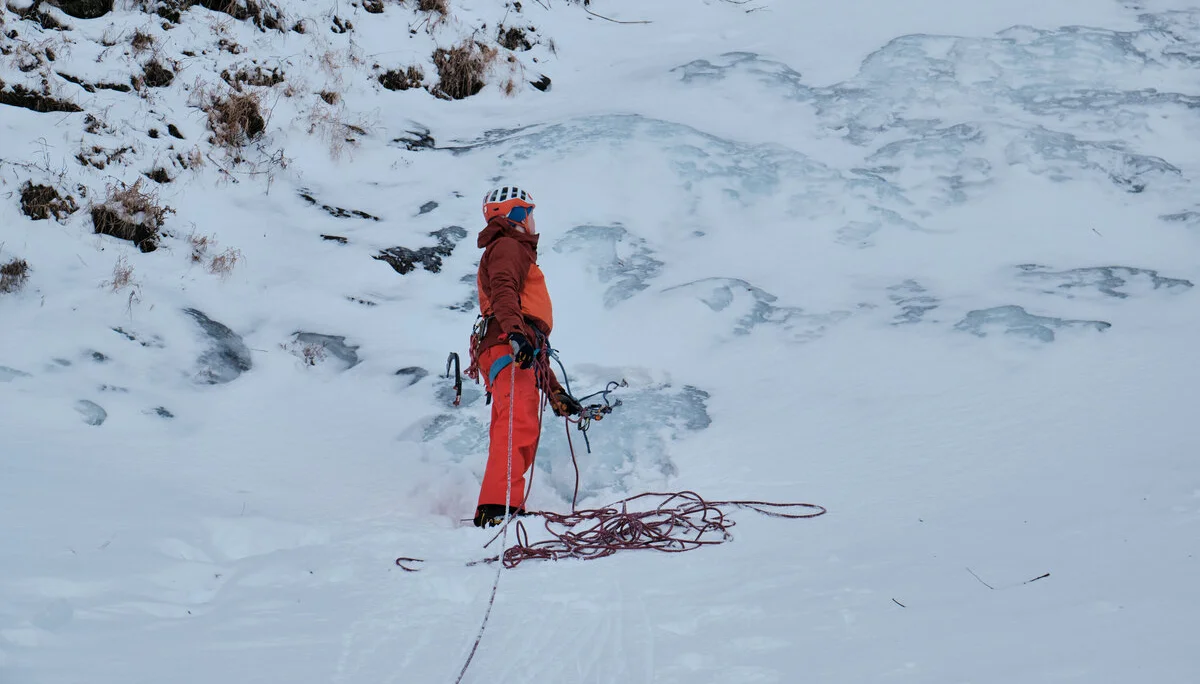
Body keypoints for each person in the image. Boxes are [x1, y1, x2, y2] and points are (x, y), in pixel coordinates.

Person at [467, 186, 582, 528]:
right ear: (515, 216)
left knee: (516, 422)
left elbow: (531, 345)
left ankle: (499, 504)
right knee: (518, 423)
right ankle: (497, 507)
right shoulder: (508, 246)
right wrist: (516, 335)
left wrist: (555, 392)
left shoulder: (509, 249)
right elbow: (504, 289)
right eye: (528, 212)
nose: (532, 220)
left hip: (508, 343)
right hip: (507, 341)